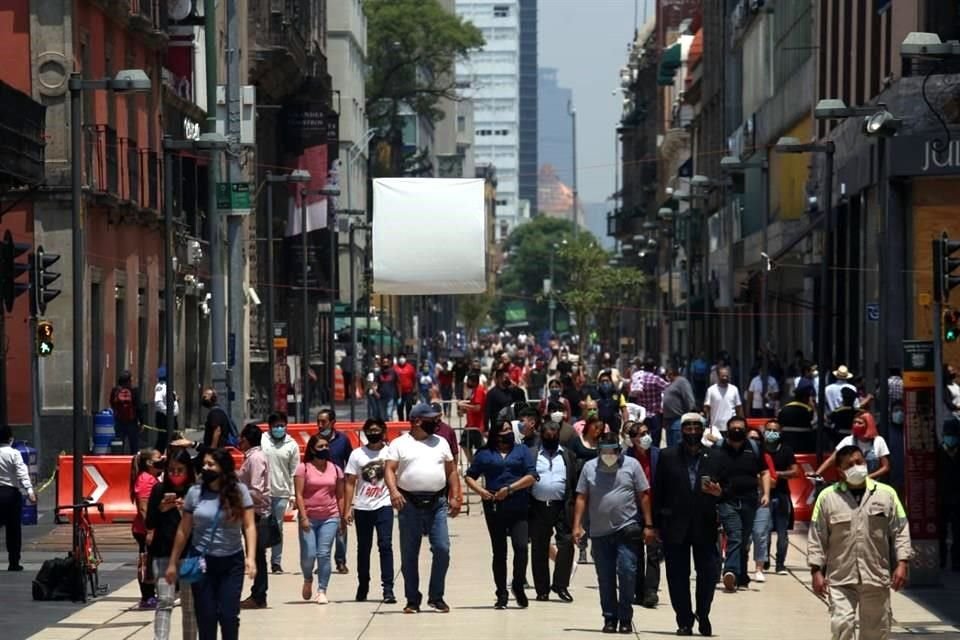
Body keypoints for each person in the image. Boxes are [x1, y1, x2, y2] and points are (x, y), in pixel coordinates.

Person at [807, 445, 912, 640]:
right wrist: (816, 571)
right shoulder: (827, 498)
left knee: (875, 632)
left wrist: (902, 563)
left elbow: (901, 530)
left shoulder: (886, 494)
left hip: (875, 577)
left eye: (859, 462)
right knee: (842, 625)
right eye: (850, 465)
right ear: (840, 471)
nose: (857, 467)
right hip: (840, 578)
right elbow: (817, 537)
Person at [165, 448, 257, 640]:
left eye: (211, 464)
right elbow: (184, 529)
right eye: (204, 464)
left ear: (223, 468)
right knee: (206, 616)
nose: (205, 468)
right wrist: (173, 562)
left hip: (232, 562)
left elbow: (249, 526)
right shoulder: (195, 493)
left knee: (228, 615)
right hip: (202, 561)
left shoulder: (239, 492)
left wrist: (251, 558)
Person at [572, 432, 654, 634]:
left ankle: (625, 617)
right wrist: (577, 525)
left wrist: (649, 525)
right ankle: (610, 617)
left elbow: (643, 495)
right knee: (605, 578)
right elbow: (582, 497)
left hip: (627, 529)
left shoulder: (632, 465)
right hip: (600, 533)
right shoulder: (589, 468)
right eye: (605, 452)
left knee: (627, 572)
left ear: (619, 451)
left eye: (613, 451)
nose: (609, 455)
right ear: (599, 452)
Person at [384, 403, 463, 614]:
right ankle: (412, 599)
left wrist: (456, 495)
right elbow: (389, 470)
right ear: (417, 421)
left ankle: (436, 596)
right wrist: (393, 491)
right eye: (432, 419)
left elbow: (451, 471)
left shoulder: (442, 443)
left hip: (437, 504)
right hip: (409, 504)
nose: (437, 423)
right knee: (410, 554)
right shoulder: (399, 443)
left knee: (442, 549)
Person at [653, 413, 721, 637]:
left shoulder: (714, 456)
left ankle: (703, 613)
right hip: (675, 527)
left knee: (709, 574)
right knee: (677, 576)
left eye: (696, 427)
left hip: (705, 525)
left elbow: (728, 490)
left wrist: (719, 492)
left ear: (702, 430)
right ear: (681, 430)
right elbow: (658, 492)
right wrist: (653, 525)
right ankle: (684, 620)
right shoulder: (667, 456)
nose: (692, 431)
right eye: (688, 427)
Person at [464, 420, 538, 609]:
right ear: (496, 434)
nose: (508, 433)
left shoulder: (522, 451)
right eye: (504, 430)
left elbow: (532, 476)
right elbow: (469, 475)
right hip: (495, 508)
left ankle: (518, 584)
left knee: (521, 548)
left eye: (509, 429)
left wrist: (510, 489)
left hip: (518, 506)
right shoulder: (484, 454)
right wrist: (481, 491)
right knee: (499, 552)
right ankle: (501, 593)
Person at [714, 416, 770, 591]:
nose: (736, 431)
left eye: (740, 428)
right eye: (733, 428)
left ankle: (741, 574)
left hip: (749, 500)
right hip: (726, 500)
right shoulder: (718, 448)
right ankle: (730, 571)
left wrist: (766, 493)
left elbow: (764, 472)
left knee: (744, 540)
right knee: (735, 534)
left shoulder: (753, 448)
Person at [147, 449, 197, 640]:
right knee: (165, 601)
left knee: (190, 605)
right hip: (163, 554)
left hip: (189, 555)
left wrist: (188, 509)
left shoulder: (194, 491)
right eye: (171, 471)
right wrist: (161, 508)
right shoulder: (158, 490)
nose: (175, 475)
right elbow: (149, 522)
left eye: (180, 470)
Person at [344, 418, 396, 603]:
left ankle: (388, 589)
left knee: (385, 546)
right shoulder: (357, 454)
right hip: (363, 507)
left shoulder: (390, 452)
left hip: (384, 505)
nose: (374, 433)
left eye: (377, 430)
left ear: (383, 431)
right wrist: (348, 508)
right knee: (364, 548)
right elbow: (350, 483)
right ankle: (363, 584)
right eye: (370, 430)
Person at [528, 419, 577, 603]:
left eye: (554, 435)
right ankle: (542, 590)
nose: (550, 437)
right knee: (539, 547)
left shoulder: (568, 455)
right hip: (538, 506)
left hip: (562, 506)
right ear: (541, 435)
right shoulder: (532, 454)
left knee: (566, 544)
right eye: (547, 435)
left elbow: (574, 481)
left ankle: (560, 585)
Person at [294, 433, 346, 605]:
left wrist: (342, 517)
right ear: (312, 449)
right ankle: (308, 578)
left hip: (330, 517)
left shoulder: (335, 469)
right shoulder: (303, 468)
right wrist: (303, 517)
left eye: (326, 446)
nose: (325, 449)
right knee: (309, 554)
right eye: (320, 447)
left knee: (324, 554)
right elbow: (299, 495)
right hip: (308, 517)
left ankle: (322, 589)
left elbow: (340, 495)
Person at [623, 421, 662, 608]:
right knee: (635, 553)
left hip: (655, 510)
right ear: (632, 439)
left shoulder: (658, 455)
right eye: (641, 434)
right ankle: (638, 591)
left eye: (647, 432)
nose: (646, 437)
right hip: (632, 511)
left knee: (653, 552)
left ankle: (651, 591)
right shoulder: (626, 458)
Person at [238, 424, 271, 609]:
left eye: (241, 438)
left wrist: (237, 491)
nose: (239, 442)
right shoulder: (251, 457)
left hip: (256, 513)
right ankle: (257, 593)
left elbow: (256, 490)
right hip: (251, 511)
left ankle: (259, 595)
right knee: (257, 554)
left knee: (257, 555)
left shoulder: (256, 459)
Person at [759, 420, 799, 575]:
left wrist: (775, 475)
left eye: (774, 430)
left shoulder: (786, 450)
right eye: (768, 430)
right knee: (765, 531)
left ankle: (780, 563)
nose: (771, 433)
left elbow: (795, 471)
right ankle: (765, 559)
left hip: (782, 496)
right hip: (765, 496)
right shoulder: (760, 450)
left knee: (782, 533)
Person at [317, 408, 353, 574]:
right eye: (318, 421)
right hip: (320, 490)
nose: (319, 425)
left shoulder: (343, 440)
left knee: (340, 525)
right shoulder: (315, 440)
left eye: (323, 422)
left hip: (339, 488)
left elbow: (351, 464)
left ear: (332, 423)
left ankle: (340, 560)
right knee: (320, 526)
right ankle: (322, 561)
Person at [262, 412, 299, 574]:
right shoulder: (263, 440)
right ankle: (259, 558)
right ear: (270, 427)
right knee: (261, 526)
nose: (279, 428)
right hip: (263, 492)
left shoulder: (292, 445)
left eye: (282, 425)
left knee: (277, 528)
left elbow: (294, 471)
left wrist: (293, 494)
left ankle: (276, 562)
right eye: (276, 425)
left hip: (282, 493)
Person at [130, 447, 162, 609]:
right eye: (158, 458)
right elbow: (143, 507)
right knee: (146, 561)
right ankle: (147, 596)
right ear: (149, 462)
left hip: (152, 527)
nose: (162, 460)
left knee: (152, 560)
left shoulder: (152, 478)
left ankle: (152, 593)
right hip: (144, 530)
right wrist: (150, 529)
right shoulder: (144, 480)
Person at [0, 425, 35, 571]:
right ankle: (14, 562)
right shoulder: (14, 453)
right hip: (11, 493)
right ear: (10, 439)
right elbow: (22, 472)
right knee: (13, 529)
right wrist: (29, 491)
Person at [816, 412, 891, 480]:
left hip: (872, 483)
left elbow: (886, 467)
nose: (856, 425)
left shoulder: (879, 441)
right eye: (854, 422)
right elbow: (831, 460)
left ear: (868, 425)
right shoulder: (848, 440)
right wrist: (817, 474)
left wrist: (868, 477)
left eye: (859, 423)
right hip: (851, 482)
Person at [628, 358, 669, 446]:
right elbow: (669, 388)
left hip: (642, 415)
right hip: (655, 415)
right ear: (654, 368)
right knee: (655, 440)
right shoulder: (656, 379)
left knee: (642, 439)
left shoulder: (638, 378)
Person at [938, 418, 960, 571]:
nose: (950, 437)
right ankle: (941, 560)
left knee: (958, 532)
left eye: (953, 434)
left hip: (958, 498)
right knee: (941, 531)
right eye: (948, 434)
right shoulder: (938, 452)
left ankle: (957, 561)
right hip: (942, 497)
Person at [662, 367, 697, 448]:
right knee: (670, 447)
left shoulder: (682, 381)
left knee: (676, 446)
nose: (667, 376)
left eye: (668, 374)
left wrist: (692, 415)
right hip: (669, 421)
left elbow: (689, 398)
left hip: (677, 420)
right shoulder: (671, 383)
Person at [703, 366, 743, 437]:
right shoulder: (711, 390)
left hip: (731, 426)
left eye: (727, 376)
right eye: (723, 376)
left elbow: (739, 407)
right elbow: (707, 408)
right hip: (716, 427)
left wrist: (742, 422)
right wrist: (707, 423)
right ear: (718, 376)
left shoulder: (734, 389)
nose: (725, 378)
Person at [457, 372, 487, 463]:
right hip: (470, 425)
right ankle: (474, 464)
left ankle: (480, 466)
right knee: (464, 444)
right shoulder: (474, 390)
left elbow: (478, 408)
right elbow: (472, 405)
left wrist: (463, 406)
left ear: (472, 381)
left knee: (481, 449)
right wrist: (463, 407)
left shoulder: (479, 390)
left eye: (468, 381)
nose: (467, 384)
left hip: (477, 426)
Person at [111, 370, 142, 454]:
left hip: (119, 421)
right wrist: (141, 422)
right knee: (134, 445)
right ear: (128, 380)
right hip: (132, 422)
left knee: (119, 444)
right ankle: (134, 462)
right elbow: (139, 407)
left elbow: (112, 404)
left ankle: (118, 461)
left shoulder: (115, 391)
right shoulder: (134, 391)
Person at [778, 386, 817, 452]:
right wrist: (814, 407)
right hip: (804, 445)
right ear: (805, 398)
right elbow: (815, 423)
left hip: (786, 444)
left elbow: (779, 424)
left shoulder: (784, 409)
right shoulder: (808, 410)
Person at [589, 370, 629, 435]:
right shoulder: (593, 394)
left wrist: (626, 424)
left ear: (611, 382)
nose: (605, 383)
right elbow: (588, 410)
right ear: (599, 383)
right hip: (598, 427)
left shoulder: (618, 394)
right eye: (602, 381)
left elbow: (624, 410)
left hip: (614, 426)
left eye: (607, 381)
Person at [153, 367, 179, 453]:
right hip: (164, 418)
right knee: (163, 440)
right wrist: (168, 412)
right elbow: (158, 402)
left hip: (171, 416)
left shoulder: (168, 385)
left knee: (173, 438)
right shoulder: (161, 386)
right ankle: (157, 457)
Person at [394, 354, 418, 420]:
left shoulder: (410, 367)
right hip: (398, 392)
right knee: (399, 407)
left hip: (408, 391)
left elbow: (414, 378)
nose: (402, 359)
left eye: (403, 357)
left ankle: (408, 421)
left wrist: (415, 389)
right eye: (400, 357)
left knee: (409, 406)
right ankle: (401, 421)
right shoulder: (395, 368)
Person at [376, 356, 399, 421]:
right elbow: (374, 384)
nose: (385, 363)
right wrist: (376, 393)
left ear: (389, 363)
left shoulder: (393, 372)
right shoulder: (379, 373)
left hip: (391, 396)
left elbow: (398, 383)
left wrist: (399, 395)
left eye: (387, 362)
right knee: (383, 415)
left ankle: (390, 429)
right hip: (381, 397)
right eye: (384, 362)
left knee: (389, 414)